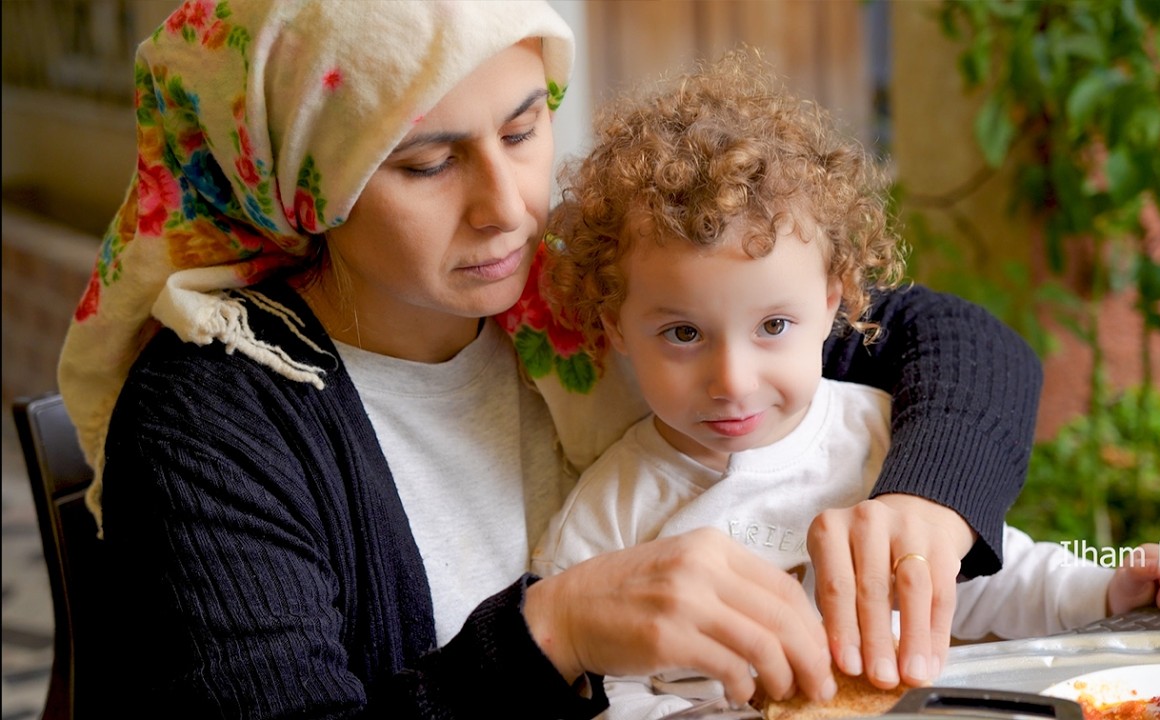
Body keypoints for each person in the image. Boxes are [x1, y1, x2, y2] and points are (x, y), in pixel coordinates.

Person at [56, 1, 1043, 717]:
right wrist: (551, 635)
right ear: (300, 185)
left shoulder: (574, 299)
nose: (509, 206)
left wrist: (931, 499)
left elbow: (945, 337)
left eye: (523, 128)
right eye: (427, 162)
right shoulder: (212, 424)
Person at [530, 50, 1160, 719]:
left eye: (773, 325)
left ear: (834, 303)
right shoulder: (607, 518)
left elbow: (987, 581)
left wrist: (1110, 587)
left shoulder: (883, 440)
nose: (733, 381)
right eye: (683, 334)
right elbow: (595, 691)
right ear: (615, 328)